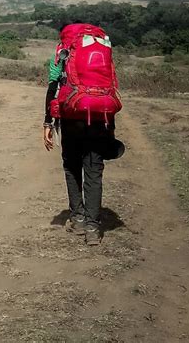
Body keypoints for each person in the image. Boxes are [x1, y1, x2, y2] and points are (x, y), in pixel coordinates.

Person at [43, 23, 122, 245]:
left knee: (71, 166)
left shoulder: (63, 50)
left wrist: (47, 122)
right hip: (100, 118)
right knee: (94, 170)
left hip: (71, 119)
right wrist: (111, 128)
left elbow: (53, 87)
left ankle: (77, 219)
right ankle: (93, 228)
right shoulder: (101, 50)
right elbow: (109, 88)